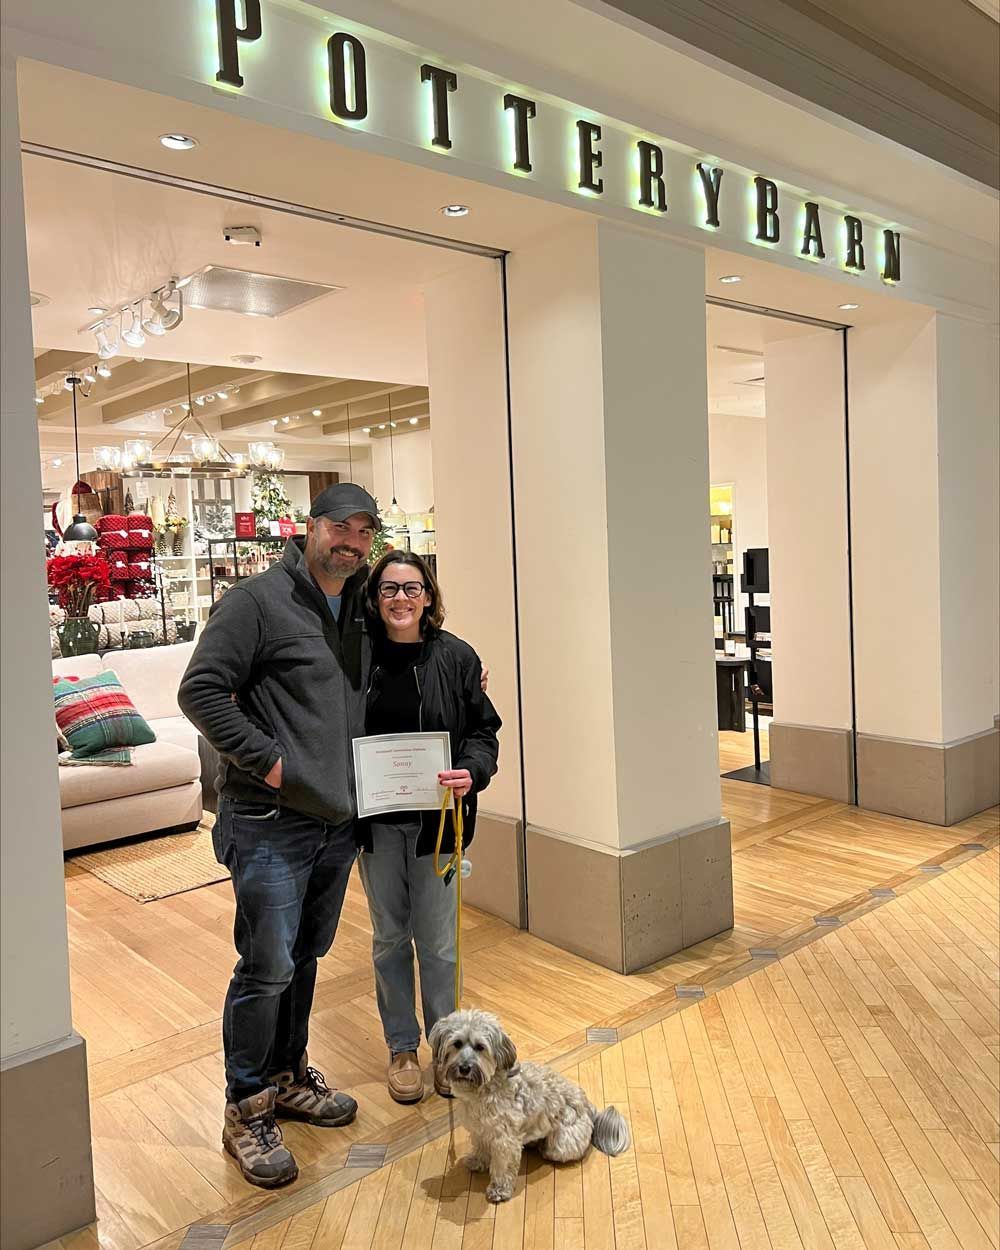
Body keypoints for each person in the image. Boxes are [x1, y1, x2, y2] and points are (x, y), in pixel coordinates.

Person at [177, 482, 380, 1189]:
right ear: (310, 529)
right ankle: (246, 1106)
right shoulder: (256, 601)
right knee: (265, 967)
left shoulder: (358, 606)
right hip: (268, 823)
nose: (351, 542)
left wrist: (462, 666)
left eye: (364, 532)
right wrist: (266, 762)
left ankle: (288, 1076)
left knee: (305, 957)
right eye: (340, 528)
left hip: (335, 824)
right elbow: (199, 691)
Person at [358, 550, 501, 1104]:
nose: (400, 599)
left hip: (437, 824)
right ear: (374, 599)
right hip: (375, 826)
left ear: (428, 596)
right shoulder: (356, 660)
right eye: (389, 589)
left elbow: (482, 732)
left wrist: (473, 771)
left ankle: (448, 1051)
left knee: (439, 945)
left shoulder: (458, 658)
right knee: (390, 938)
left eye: (411, 588)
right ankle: (401, 1048)